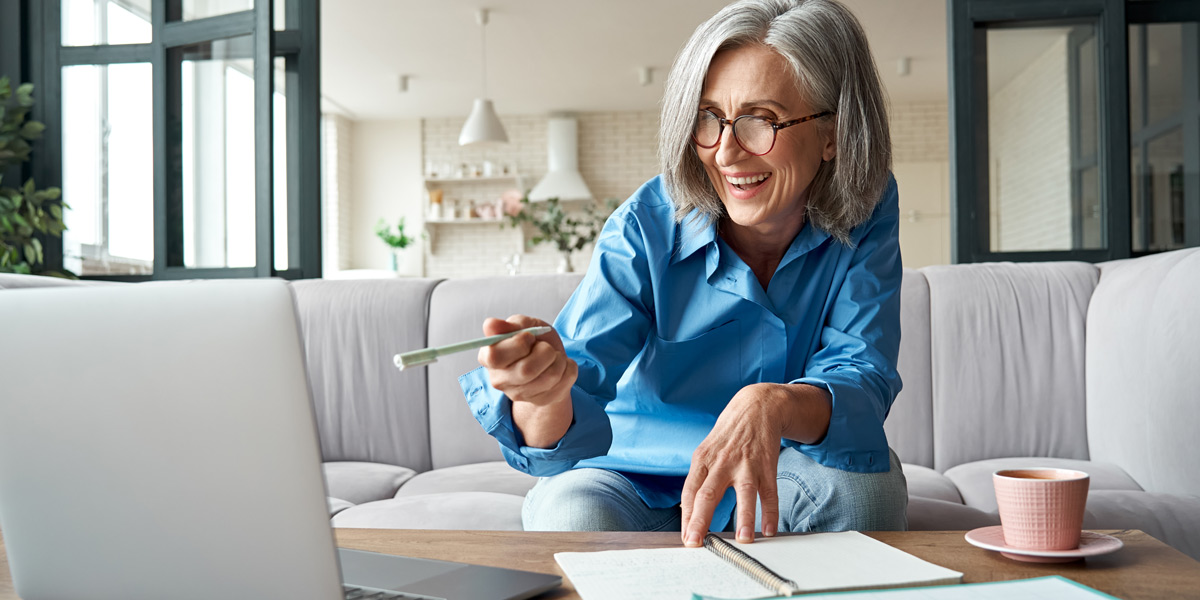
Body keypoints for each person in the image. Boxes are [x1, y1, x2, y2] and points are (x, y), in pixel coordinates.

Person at [458, 0, 906, 548]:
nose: (725, 152)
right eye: (708, 119)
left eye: (760, 121)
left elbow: (861, 373)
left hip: (778, 470)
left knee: (867, 492)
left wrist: (773, 402)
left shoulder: (867, 207)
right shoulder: (646, 224)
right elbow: (574, 395)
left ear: (832, 133)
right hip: (627, 476)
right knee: (571, 513)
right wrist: (542, 394)